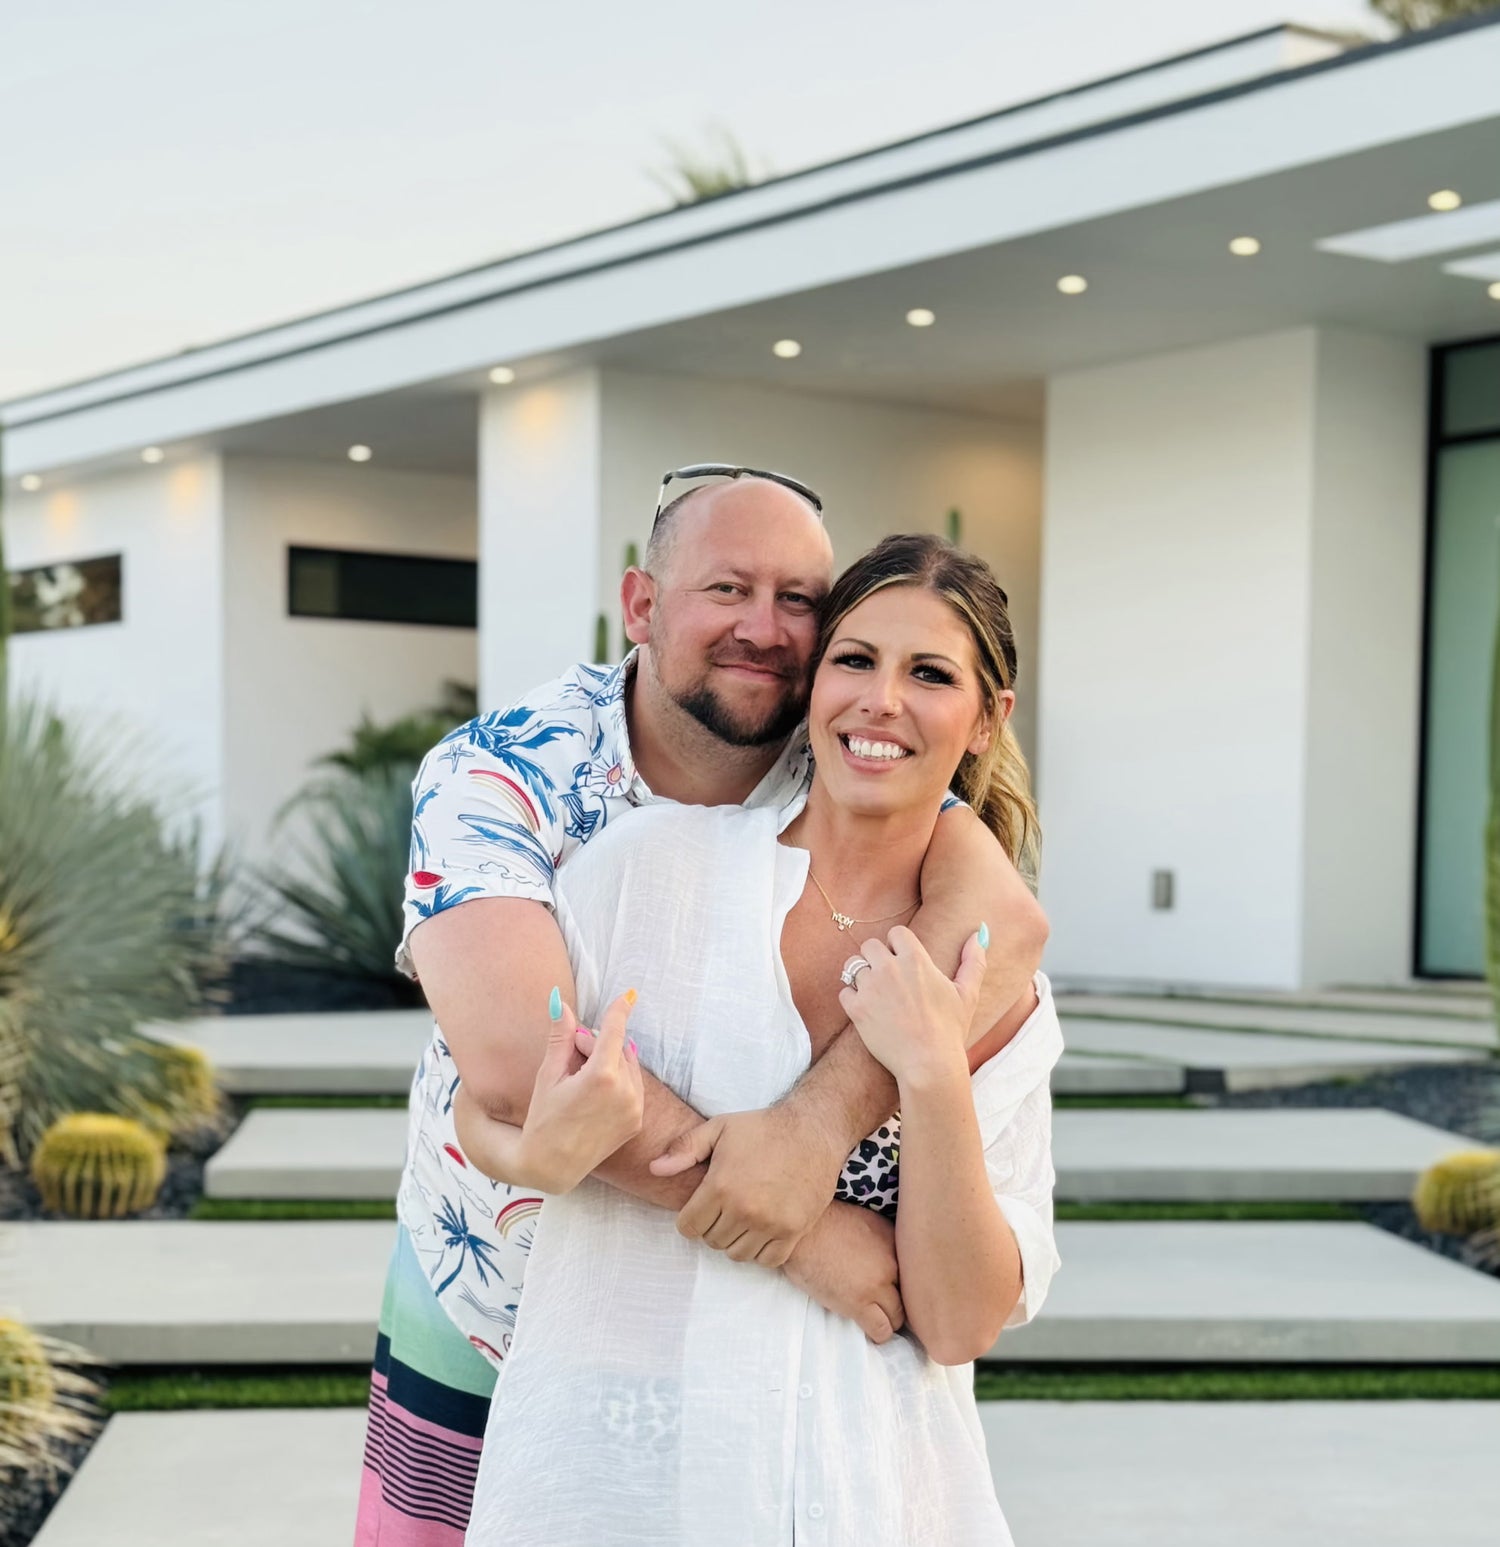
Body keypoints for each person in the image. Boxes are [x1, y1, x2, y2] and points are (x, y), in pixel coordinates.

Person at [354, 468, 1049, 1545]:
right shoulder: (507, 773)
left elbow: (999, 913)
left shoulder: (834, 747)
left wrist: (817, 1128)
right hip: (493, 1290)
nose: (763, 629)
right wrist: (802, 1227)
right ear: (640, 605)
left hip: (782, 1392)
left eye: (798, 600)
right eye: (727, 588)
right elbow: (522, 1067)